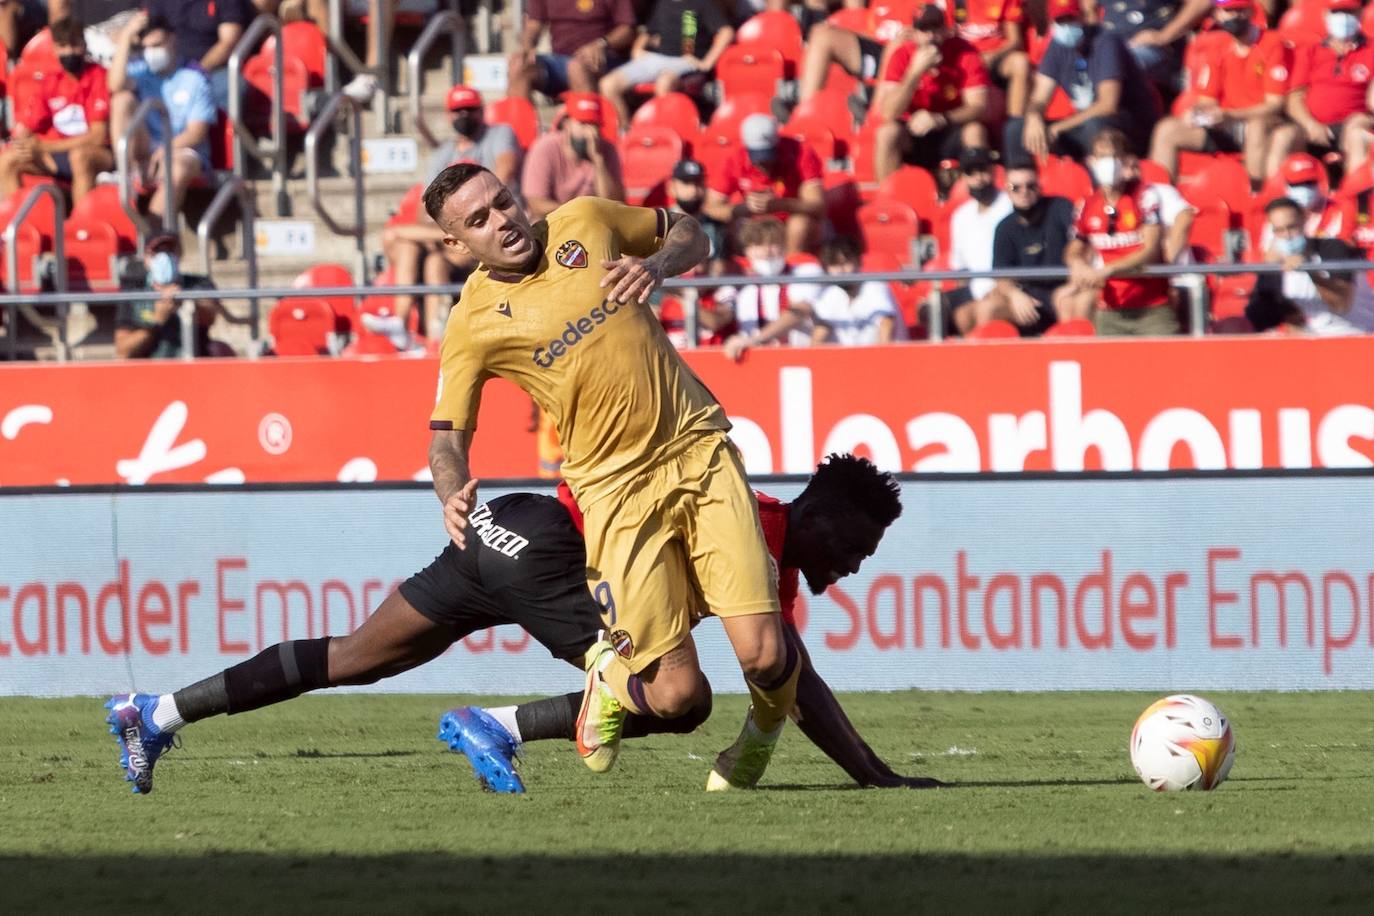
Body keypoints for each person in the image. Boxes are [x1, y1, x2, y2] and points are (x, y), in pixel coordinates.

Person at [422, 164, 801, 791]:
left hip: (697, 448)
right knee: (677, 695)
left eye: (504, 202)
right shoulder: (473, 324)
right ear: (457, 245)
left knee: (763, 652)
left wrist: (657, 265)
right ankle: (612, 677)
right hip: (612, 491)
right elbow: (446, 438)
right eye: (478, 221)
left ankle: (756, 741)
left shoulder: (587, 220)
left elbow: (692, 232)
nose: (503, 221)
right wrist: (451, 489)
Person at [450, 455, 941, 792]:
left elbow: (794, 676)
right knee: (682, 699)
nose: (854, 565)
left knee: (369, 661)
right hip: (556, 550)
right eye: (853, 547)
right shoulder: (751, 528)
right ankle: (516, 715)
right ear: (812, 515)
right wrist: (875, 777)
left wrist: (875, 771)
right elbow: (791, 679)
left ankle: (494, 723)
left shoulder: (775, 556)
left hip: (519, 535)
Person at [382, 85, 521, 331]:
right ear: (448, 115)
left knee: (408, 242)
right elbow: (425, 210)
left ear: (481, 111)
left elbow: (505, 173)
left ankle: (431, 335)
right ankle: (402, 324)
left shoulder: (498, 135)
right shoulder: (443, 153)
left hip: (487, 228)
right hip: (454, 233)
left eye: (469, 109)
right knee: (403, 242)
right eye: (457, 111)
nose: (464, 116)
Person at [1147, 0, 1291, 188]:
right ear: (1218, 14)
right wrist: (1198, 114)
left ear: (1250, 11)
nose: (1233, 16)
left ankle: (1254, 197)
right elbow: (1206, 99)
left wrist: (1231, 115)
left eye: (1239, 10)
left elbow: (1275, 104)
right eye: (1227, 11)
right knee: (1167, 130)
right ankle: (1163, 198)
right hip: (1226, 124)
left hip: (1258, 121)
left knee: (1257, 127)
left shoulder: (1271, 43)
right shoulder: (1218, 46)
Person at [1008, 0, 1160, 162]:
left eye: (1070, 19)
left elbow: (1107, 105)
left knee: (1096, 126)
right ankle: (1023, 181)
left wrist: (1058, 128)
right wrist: (1034, 116)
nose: (1066, 26)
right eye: (1060, 21)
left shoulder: (1106, 41)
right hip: (1083, 123)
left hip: (1125, 126)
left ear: (1082, 16)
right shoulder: (1057, 46)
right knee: (1016, 128)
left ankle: (1105, 180)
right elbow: (1039, 98)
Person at [1063, 128, 1176, 336]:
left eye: (1114, 157)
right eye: (1103, 157)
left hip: (1151, 308)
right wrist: (1077, 263)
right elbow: (1074, 247)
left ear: (1124, 161)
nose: (1109, 163)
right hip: (1110, 310)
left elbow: (1150, 250)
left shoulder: (1144, 196)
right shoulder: (1087, 204)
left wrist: (1110, 269)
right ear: (1091, 161)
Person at [108, 12, 217, 222]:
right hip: (144, 152)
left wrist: (163, 150)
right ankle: (125, 173)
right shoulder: (140, 72)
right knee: (121, 100)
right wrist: (126, 37)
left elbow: (196, 133)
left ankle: (156, 239)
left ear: (172, 39)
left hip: (181, 151)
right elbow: (114, 85)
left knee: (177, 168)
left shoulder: (194, 77)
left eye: (157, 45)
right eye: (147, 47)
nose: (151, 52)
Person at [0, 16, 113, 204]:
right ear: (55, 49)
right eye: (63, 46)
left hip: (97, 154)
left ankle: (80, 227)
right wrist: (23, 145)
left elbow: (98, 136)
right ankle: (20, 226)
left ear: (84, 46)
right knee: (7, 160)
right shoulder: (51, 81)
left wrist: (45, 146)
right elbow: (28, 126)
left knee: (80, 157)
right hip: (56, 155)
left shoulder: (98, 76)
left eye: (74, 45)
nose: (69, 52)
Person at [874, 3, 991, 181]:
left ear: (945, 29)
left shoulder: (964, 52)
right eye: (923, 30)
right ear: (914, 33)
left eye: (935, 29)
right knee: (887, 133)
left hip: (950, 126)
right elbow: (888, 112)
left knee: (975, 130)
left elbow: (978, 106)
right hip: (914, 132)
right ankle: (888, 198)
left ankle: (979, 193)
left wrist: (941, 119)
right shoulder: (902, 55)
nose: (930, 36)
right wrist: (914, 73)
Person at [972, 158, 1082, 336]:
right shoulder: (1004, 228)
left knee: (1067, 302)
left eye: (1030, 186)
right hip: (1027, 296)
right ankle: (990, 363)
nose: (1024, 192)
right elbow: (1000, 275)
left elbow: (1082, 244)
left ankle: (1070, 359)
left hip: (1064, 289)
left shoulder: (1061, 208)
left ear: (1039, 186)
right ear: (1008, 191)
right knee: (988, 308)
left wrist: (1073, 284)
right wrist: (1015, 295)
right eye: (1016, 187)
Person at [598, 0, 734, 128]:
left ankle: (664, 134)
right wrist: (637, 48)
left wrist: (707, 62)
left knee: (664, 83)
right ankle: (625, 131)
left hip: (686, 60)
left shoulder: (701, 3)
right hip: (656, 58)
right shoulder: (663, 3)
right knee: (608, 84)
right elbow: (648, 32)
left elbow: (726, 31)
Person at [703, 114, 825, 255]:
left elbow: (818, 205)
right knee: (736, 226)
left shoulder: (801, 153)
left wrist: (781, 204)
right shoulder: (734, 159)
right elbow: (711, 207)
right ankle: (746, 270)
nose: (764, 163)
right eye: (758, 157)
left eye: (768, 155)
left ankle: (791, 268)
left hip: (791, 222)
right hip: (754, 222)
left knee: (800, 224)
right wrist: (744, 208)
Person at [1278, 0, 1374, 178]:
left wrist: (1365, 119)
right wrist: (1310, 125)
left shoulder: (1371, 50)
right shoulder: (1311, 51)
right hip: (1312, 126)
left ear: (1360, 13)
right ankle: (1276, 198)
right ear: (1325, 16)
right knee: (1284, 137)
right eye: (1336, 12)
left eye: (1349, 12)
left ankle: (1355, 197)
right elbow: (1294, 98)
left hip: (1354, 124)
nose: (1343, 18)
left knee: (1359, 136)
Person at [1246, 196, 1363, 335]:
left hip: (1353, 335)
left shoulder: (1334, 249)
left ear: (1303, 221)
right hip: (1310, 341)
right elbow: (1260, 317)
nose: (1287, 235)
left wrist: (1308, 269)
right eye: (1279, 230)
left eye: (1291, 227)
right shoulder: (1277, 265)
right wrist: (1269, 270)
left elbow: (1341, 304)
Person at [717, 217, 826, 359]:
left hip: (798, 357)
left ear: (785, 247)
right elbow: (720, 317)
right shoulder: (740, 284)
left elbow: (799, 312)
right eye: (759, 245)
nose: (767, 251)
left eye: (773, 244)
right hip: (753, 360)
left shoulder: (806, 271)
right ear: (747, 251)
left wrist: (755, 339)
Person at [113, 231, 221, 359]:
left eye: (170, 251)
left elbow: (211, 315)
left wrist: (185, 300)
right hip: (150, 371)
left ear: (179, 255)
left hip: (194, 364)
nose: (164, 258)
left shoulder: (198, 283)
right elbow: (123, 350)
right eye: (157, 252)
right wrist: (156, 321)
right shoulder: (133, 291)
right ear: (146, 258)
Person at [520, 93, 624, 220]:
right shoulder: (546, 147)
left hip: (593, 223)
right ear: (567, 124)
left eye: (594, 125)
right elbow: (536, 205)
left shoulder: (606, 150)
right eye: (583, 123)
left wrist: (599, 161)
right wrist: (579, 213)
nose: (590, 132)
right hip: (553, 222)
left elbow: (615, 206)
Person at [507, 0, 636, 99]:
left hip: (602, 59)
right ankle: (516, 130)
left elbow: (627, 29)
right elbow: (534, 25)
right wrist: (527, 46)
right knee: (518, 65)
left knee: (576, 67)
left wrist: (601, 44)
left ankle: (586, 126)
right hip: (558, 61)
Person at [945, 146, 1012, 333]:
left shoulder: (1009, 206)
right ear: (964, 177)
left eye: (982, 170)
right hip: (974, 289)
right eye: (970, 172)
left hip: (1004, 287)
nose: (978, 178)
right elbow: (960, 268)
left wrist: (1002, 288)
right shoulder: (961, 216)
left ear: (992, 171)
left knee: (981, 311)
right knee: (932, 308)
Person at [146, 0, 249, 109]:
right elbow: (149, 33)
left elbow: (229, 41)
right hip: (167, 69)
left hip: (212, 71)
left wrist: (197, 71)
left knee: (230, 85)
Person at [808, 237, 907, 346]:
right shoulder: (831, 295)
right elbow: (819, 334)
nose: (841, 270)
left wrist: (881, 360)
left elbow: (886, 327)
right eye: (834, 265)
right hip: (848, 360)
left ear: (859, 262)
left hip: (885, 358)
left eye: (845, 263)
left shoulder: (875, 287)